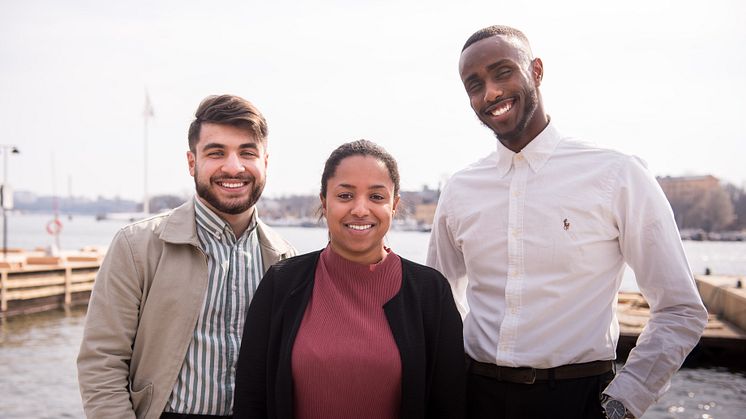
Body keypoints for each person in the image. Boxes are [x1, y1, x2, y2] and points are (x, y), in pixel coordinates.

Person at [426, 25, 708, 419]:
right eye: (475, 84)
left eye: (502, 72)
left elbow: (680, 309)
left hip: (578, 401)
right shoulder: (459, 189)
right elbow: (438, 302)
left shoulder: (617, 174)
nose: (490, 92)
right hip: (475, 397)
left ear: (536, 71)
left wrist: (622, 403)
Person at [77, 94, 296, 419]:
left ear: (266, 162)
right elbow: (101, 360)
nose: (233, 166)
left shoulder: (284, 259)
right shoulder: (137, 247)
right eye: (216, 152)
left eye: (247, 153)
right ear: (192, 162)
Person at [233, 140, 465, 419]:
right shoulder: (281, 284)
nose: (360, 209)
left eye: (377, 197)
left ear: (394, 205)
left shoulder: (430, 292)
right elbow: (251, 398)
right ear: (324, 202)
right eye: (345, 196)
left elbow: (448, 405)